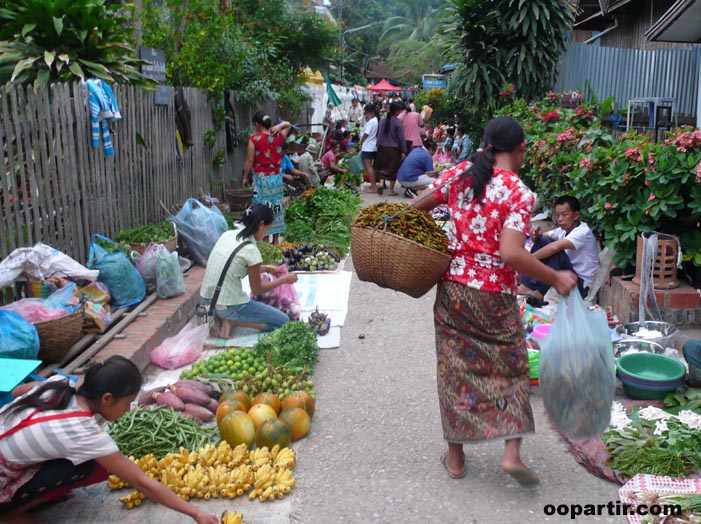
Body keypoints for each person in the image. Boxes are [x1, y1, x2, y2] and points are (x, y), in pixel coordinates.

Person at [411, 116, 577, 485]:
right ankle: (511, 454)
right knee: (511, 368)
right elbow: (511, 253)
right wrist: (555, 276)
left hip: (453, 289)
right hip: (494, 296)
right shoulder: (519, 192)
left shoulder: (461, 174)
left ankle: (455, 460)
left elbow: (417, 206)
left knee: (454, 369)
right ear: (519, 150)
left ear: (486, 144)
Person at [0, 356, 219, 524]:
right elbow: (141, 482)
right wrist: (195, 513)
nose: (128, 410)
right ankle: (10, 512)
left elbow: (18, 391)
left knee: (82, 460)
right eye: (127, 404)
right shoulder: (81, 430)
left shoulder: (59, 383)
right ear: (107, 399)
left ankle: (32, 496)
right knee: (92, 467)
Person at [200, 204, 297, 338]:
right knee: (284, 321)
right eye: (268, 229)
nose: (266, 233)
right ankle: (233, 322)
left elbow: (234, 266)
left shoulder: (228, 235)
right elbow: (257, 289)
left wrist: (268, 268)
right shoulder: (251, 250)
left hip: (207, 301)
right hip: (229, 306)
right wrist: (284, 280)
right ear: (261, 224)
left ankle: (221, 320)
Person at [518, 195, 600, 300]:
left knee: (556, 253)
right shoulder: (562, 230)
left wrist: (529, 259)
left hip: (581, 286)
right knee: (543, 241)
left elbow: (554, 248)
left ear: (576, 215)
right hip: (567, 278)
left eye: (564, 214)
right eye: (557, 215)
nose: (560, 219)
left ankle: (539, 292)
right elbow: (543, 237)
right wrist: (537, 235)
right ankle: (528, 285)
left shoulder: (583, 232)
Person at [242, 111, 291, 245]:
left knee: (262, 209)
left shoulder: (254, 138)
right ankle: (275, 241)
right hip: (276, 179)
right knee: (276, 208)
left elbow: (250, 159)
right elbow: (288, 125)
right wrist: (279, 126)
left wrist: (245, 177)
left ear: (257, 124)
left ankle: (264, 240)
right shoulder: (278, 136)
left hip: (261, 180)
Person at [375, 101, 407, 196]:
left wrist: (378, 145)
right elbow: (401, 138)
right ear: (397, 111)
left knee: (383, 167)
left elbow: (378, 134)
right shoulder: (398, 123)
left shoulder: (382, 120)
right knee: (393, 169)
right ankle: (391, 190)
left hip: (382, 147)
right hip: (394, 149)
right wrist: (404, 150)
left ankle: (381, 183)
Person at [359, 104, 379, 193]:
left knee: (368, 167)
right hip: (373, 146)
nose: (366, 116)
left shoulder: (371, 122)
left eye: (366, 113)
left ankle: (374, 187)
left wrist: (361, 142)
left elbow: (366, 133)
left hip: (368, 147)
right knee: (371, 166)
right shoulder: (376, 120)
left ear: (371, 113)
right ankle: (374, 184)